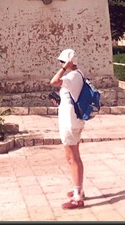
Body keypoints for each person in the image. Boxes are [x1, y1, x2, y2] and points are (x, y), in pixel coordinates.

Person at [50, 48, 85, 209]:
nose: (60, 64)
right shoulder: (78, 75)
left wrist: (64, 68)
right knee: (73, 157)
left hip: (69, 122)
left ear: (70, 62)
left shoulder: (70, 76)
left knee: (72, 158)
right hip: (73, 119)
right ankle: (78, 189)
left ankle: (77, 196)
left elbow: (53, 81)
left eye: (62, 62)